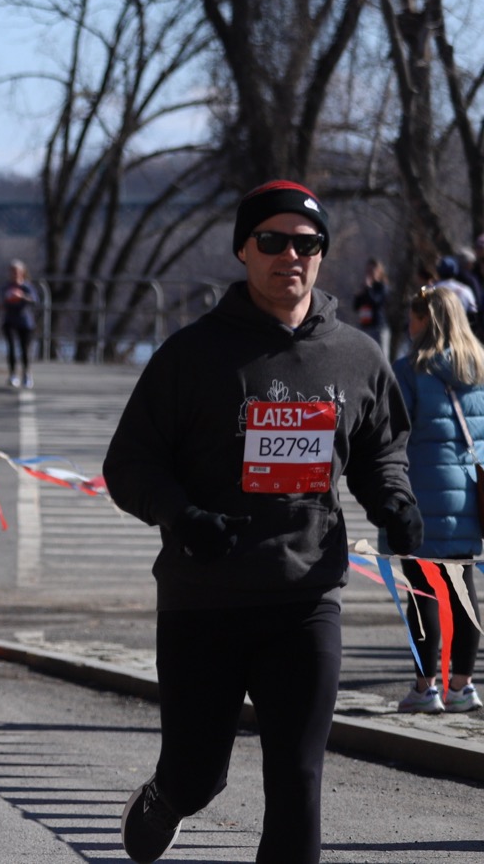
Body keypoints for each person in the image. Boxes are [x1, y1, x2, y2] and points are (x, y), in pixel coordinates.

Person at [104, 180, 421, 864]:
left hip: (306, 597)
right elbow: (129, 464)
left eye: (307, 243)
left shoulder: (356, 356)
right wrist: (182, 515)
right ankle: (168, 795)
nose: (290, 256)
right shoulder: (192, 355)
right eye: (272, 241)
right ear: (243, 249)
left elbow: (381, 453)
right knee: (198, 773)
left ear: (322, 254)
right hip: (203, 599)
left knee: (298, 780)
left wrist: (395, 503)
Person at [388, 286, 482, 714]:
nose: (409, 324)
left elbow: (394, 431)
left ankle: (426, 688)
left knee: (423, 593)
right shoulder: (478, 367)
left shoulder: (409, 370)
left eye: (414, 316)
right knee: (463, 593)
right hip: (469, 494)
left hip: (423, 494)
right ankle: (462, 686)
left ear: (426, 320)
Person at [2, 259, 37, 389]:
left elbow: (34, 300)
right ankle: (13, 375)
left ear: (22, 272)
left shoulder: (27, 286)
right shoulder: (7, 287)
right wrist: (7, 300)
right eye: (12, 271)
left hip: (25, 322)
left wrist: (22, 296)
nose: (14, 274)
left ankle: (27, 374)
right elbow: (1, 302)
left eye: (16, 271)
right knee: (11, 348)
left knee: (24, 350)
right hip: (9, 321)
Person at [351, 258, 389, 352]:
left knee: (380, 355)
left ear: (379, 272)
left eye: (372, 271)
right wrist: (359, 295)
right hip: (365, 326)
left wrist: (368, 288)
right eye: (368, 271)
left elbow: (376, 302)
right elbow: (356, 307)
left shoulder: (381, 286)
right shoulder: (364, 287)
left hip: (377, 328)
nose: (369, 273)